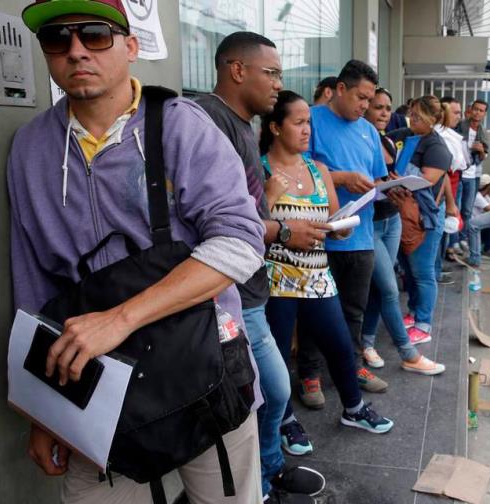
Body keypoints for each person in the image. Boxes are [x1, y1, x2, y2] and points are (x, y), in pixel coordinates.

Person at [10, 2, 265, 501]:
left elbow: (240, 242)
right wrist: (42, 412)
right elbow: (33, 286)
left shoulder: (179, 125)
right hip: (96, 390)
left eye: (95, 35)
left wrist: (121, 319)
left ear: (130, 47)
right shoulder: (30, 149)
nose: (77, 50)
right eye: (58, 39)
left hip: (203, 371)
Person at [195, 32, 325, 503]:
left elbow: (248, 203)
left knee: (267, 391)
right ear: (236, 70)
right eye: (270, 73)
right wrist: (284, 232)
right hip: (227, 294)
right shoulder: (207, 121)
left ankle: (267, 472)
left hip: (250, 288)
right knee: (270, 388)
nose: (277, 84)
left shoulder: (242, 125)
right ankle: (262, 479)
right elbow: (219, 219)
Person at [261, 90, 395, 459]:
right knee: (277, 358)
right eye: (298, 123)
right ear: (275, 127)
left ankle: (353, 409)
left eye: (308, 123)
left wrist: (343, 227)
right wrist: (270, 197)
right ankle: (285, 419)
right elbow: (250, 227)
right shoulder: (261, 170)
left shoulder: (318, 170)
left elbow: (335, 219)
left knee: (339, 345)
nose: (307, 130)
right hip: (277, 280)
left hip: (319, 276)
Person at [296, 60, 390, 404]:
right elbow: (296, 169)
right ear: (339, 89)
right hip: (320, 236)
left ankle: (351, 366)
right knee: (313, 311)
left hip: (361, 236)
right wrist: (342, 178)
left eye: (369, 100)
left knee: (354, 310)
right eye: (361, 98)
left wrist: (390, 186)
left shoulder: (367, 131)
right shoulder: (311, 120)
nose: (365, 106)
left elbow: (376, 178)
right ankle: (309, 374)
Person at [360, 88, 445, 374]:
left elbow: (436, 179)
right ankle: (408, 354)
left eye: (387, 107)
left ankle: (368, 342)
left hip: (394, 219)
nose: (384, 112)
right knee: (388, 288)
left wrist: (394, 183)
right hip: (371, 222)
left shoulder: (391, 139)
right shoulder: (376, 137)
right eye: (377, 106)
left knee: (385, 286)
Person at [386, 96, 453, 343]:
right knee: (409, 270)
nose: (412, 119)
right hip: (402, 213)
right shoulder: (404, 134)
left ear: (433, 120)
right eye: (411, 114)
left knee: (423, 273)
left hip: (422, 218)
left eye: (418, 117)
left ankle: (424, 324)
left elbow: (429, 180)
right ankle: (414, 313)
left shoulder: (436, 147)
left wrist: (398, 177)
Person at [454, 99, 489, 256]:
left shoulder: (483, 131)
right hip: (460, 172)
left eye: (481, 110)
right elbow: (455, 146)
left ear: (484, 114)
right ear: (471, 110)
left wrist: (480, 150)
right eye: (475, 109)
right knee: (456, 207)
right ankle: (455, 240)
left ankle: (463, 238)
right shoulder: (461, 126)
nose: (477, 112)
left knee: (467, 210)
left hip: (474, 174)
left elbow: (484, 155)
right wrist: (469, 147)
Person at [436, 96, 467, 265]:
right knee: (440, 233)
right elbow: (448, 169)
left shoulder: (452, 135)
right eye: (455, 112)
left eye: (460, 113)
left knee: (446, 231)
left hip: (453, 188)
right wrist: (449, 201)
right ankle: (436, 271)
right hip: (443, 192)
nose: (458, 116)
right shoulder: (440, 136)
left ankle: (438, 269)